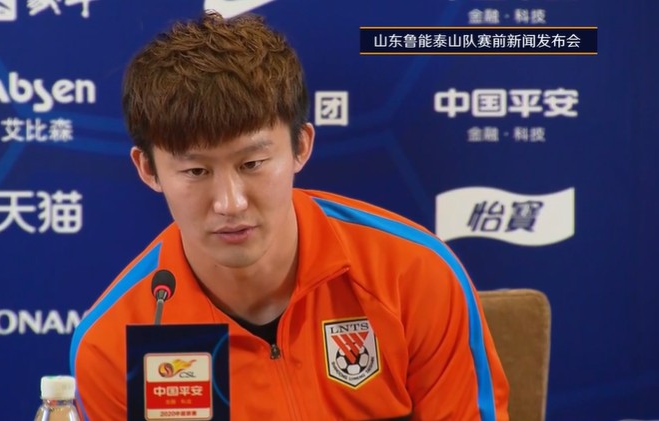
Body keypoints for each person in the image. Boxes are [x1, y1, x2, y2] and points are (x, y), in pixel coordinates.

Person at [70, 10, 509, 421]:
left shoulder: (414, 274)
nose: (230, 203)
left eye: (253, 164)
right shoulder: (112, 345)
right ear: (148, 170)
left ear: (301, 146)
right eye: (196, 171)